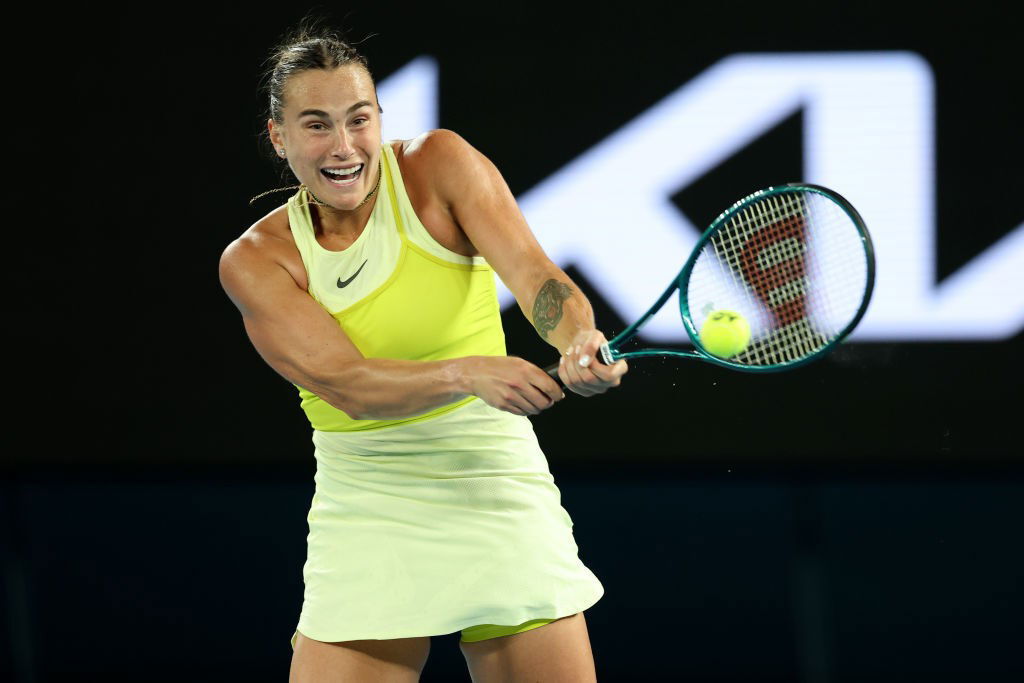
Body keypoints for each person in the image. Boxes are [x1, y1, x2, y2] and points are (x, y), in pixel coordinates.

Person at [219, 20, 628, 683]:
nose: (345, 145)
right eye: (317, 125)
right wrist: (468, 372)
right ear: (280, 137)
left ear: (380, 118)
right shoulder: (258, 261)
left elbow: (535, 276)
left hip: (491, 479)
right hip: (368, 500)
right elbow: (348, 385)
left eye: (359, 120)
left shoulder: (439, 165)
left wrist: (575, 335)